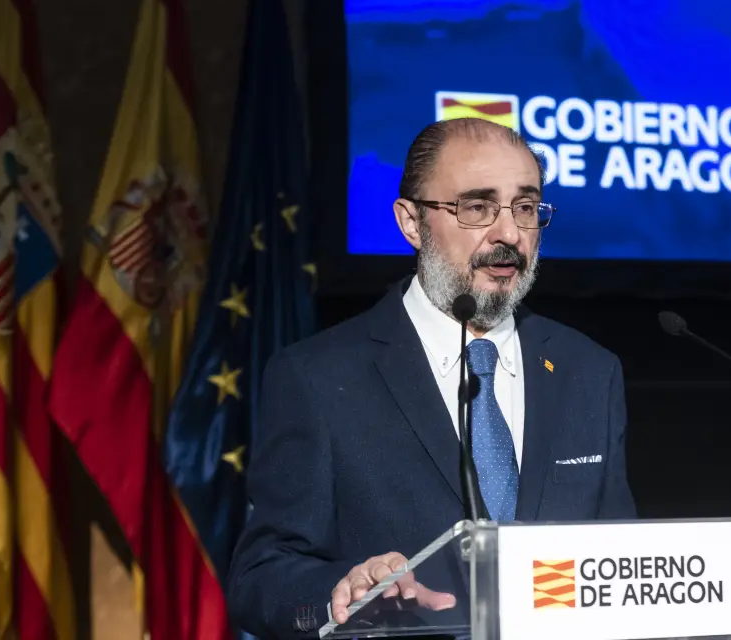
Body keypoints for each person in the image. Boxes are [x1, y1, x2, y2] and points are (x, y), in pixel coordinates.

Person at [226, 118, 636, 638]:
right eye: (477, 207)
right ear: (411, 223)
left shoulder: (588, 371)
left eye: (526, 208)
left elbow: (623, 562)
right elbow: (261, 577)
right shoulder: (318, 378)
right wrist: (341, 591)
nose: (510, 234)